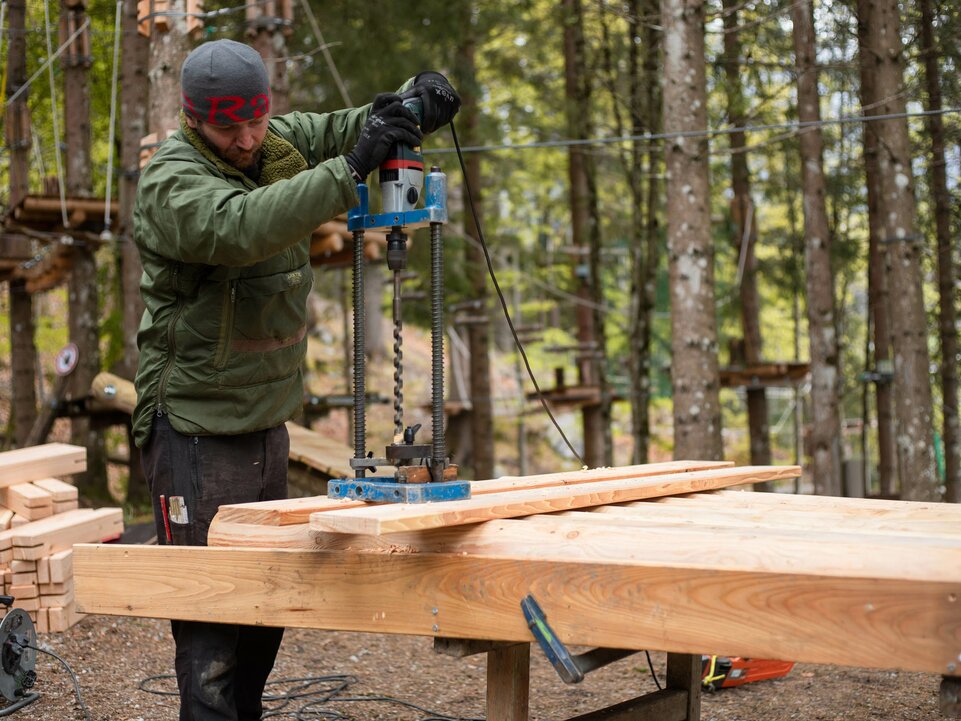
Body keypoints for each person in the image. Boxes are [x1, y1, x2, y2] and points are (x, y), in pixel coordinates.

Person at [131, 38, 460, 721]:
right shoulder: (172, 181)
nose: (249, 138)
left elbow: (346, 126)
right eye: (230, 127)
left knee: (265, 611)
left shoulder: (275, 141)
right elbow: (244, 224)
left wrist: (413, 99)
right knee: (211, 630)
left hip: (263, 424)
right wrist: (350, 169)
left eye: (256, 120)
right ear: (195, 119)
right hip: (194, 429)